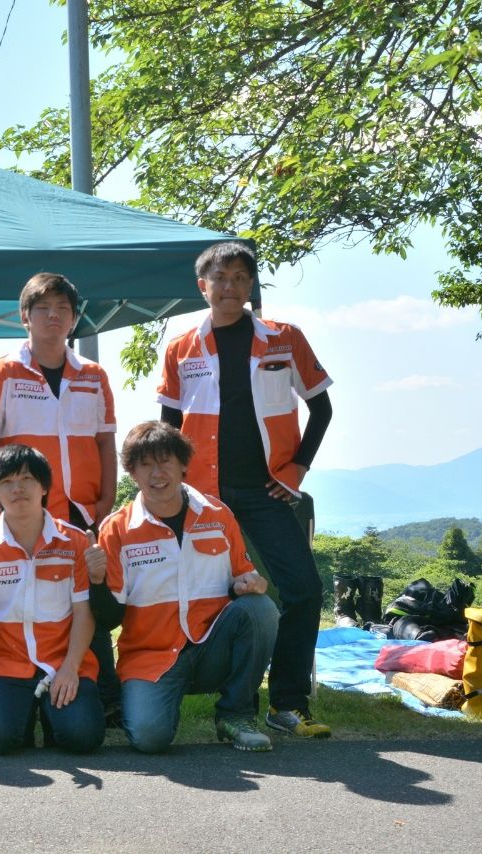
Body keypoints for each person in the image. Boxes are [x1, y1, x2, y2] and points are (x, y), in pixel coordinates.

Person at [157, 241, 333, 738]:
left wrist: (296, 471)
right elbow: (167, 427)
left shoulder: (284, 338)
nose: (230, 287)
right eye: (220, 278)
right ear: (203, 286)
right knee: (207, 595)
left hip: (267, 490)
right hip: (202, 495)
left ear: (251, 285)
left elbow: (322, 409)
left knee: (303, 589)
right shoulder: (180, 347)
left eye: (239, 278)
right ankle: (218, 702)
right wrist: (168, 489)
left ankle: (287, 704)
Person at [0, 272, 121, 721]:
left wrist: (106, 500)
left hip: (81, 507)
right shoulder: (3, 371)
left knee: (86, 599)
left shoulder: (93, 374)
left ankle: (104, 696)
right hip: (24, 509)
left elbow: (105, 441)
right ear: (25, 317)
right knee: (12, 598)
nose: (54, 316)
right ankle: (5, 693)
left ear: (74, 319)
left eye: (63, 309)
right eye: (43, 308)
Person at [86, 422, 279, 753]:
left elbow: (242, 576)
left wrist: (250, 583)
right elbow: (109, 619)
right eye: (145, 464)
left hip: (212, 648)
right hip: (151, 657)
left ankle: (236, 714)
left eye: (165, 461)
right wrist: (96, 580)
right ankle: (160, 703)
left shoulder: (218, 515)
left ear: (183, 464)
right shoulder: (116, 530)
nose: (157, 473)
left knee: (261, 610)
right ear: (132, 472)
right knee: (149, 738)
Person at [0, 445, 105, 755]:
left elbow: (84, 613)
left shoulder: (74, 541)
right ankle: (22, 717)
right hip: (8, 665)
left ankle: (54, 716)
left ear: (44, 487)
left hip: (64, 662)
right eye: (7, 482)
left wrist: (70, 668)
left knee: (82, 736)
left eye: (27, 479)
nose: (18, 489)